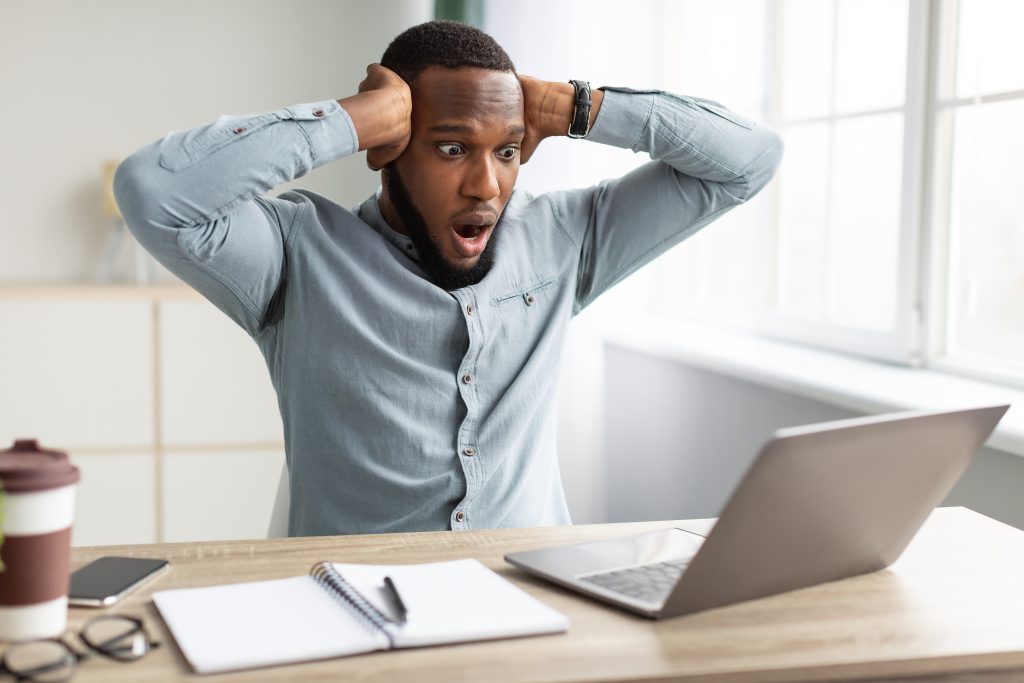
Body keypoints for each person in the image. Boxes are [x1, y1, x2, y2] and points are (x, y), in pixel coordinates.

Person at [114, 20, 783, 537]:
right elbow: (151, 191)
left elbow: (749, 159)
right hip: (351, 615)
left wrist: (574, 105)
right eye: (453, 148)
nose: (486, 184)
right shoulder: (294, 255)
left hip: (537, 602)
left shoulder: (565, 239)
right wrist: (353, 120)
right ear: (391, 151)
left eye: (508, 151)